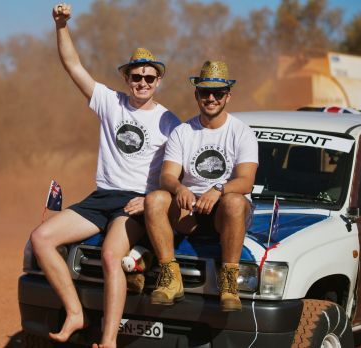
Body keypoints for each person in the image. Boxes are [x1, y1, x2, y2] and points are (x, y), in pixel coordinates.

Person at [29, 3, 180, 348]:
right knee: (41, 238)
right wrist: (61, 26)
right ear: (126, 78)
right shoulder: (109, 101)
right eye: (136, 76)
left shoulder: (170, 122)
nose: (142, 82)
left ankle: (109, 340)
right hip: (101, 196)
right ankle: (75, 313)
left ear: (159, 81)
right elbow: (72, 65)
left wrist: (152, 202)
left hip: (135, 203)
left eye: (149, 77)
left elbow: (177, 172)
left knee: (112, 256)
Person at [144, 60, 258, 312]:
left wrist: (217, 189)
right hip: (188, 212)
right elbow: (167, 176)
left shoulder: (242, 133)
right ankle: (170, 277)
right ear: (196, 94)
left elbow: (246, 181)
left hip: (225, 214)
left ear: (228, 96)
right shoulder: (182, 132)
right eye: (205, 92)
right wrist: (180, 188)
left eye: (217, 93)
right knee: (154, 199)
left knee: (235, 200)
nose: (211, 98)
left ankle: (229, 285)